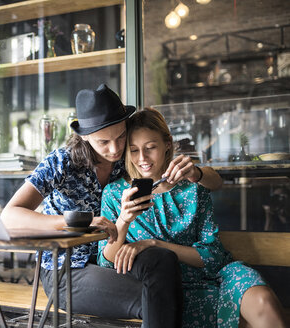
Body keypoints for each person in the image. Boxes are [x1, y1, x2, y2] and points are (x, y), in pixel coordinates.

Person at [1, 84, 223, 327]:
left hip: (111, 260)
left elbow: (214, 181)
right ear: (84, 136)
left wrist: (196, 172)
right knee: (164, 298)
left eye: (120, 137)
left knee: (162, 260)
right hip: (68, 270)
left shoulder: (125, 160)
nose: (115, 149)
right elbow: (10, 216)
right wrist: (74, 221)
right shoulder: (61, 162)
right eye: (103, 142)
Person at [98, 107, 287, 328]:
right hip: (171, 288)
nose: (143, 159)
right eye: (133, 150)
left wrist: (154, 243)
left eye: (150, 147)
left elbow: (212, 255)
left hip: (218, 275)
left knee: (264, 302)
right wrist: (124, 220)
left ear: (167, 143)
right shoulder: (115, 194)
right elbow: (107, 260)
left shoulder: (192, 187)